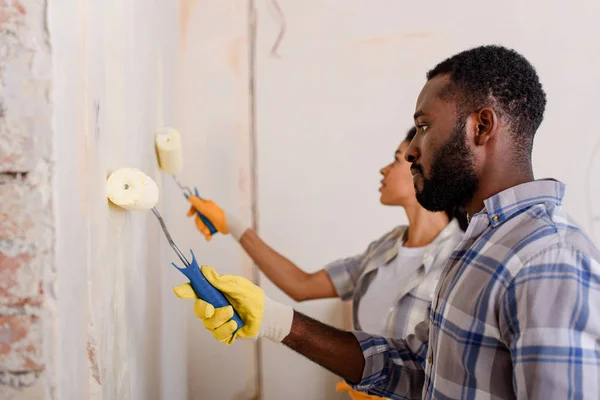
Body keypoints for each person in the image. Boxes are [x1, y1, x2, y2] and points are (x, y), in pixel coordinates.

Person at [173, 45, 600, 399]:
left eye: (423, 127)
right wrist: (274, 320)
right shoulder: (476, 246)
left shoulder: (548, 258)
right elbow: (418, 366)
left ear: (482, 125)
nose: (411, 150)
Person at [184, 128, 467, 399]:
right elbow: (301, 285)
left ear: (424, 168)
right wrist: (232, 225)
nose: (384, 170)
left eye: (395, 159)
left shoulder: (460, 261)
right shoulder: (385, 248)